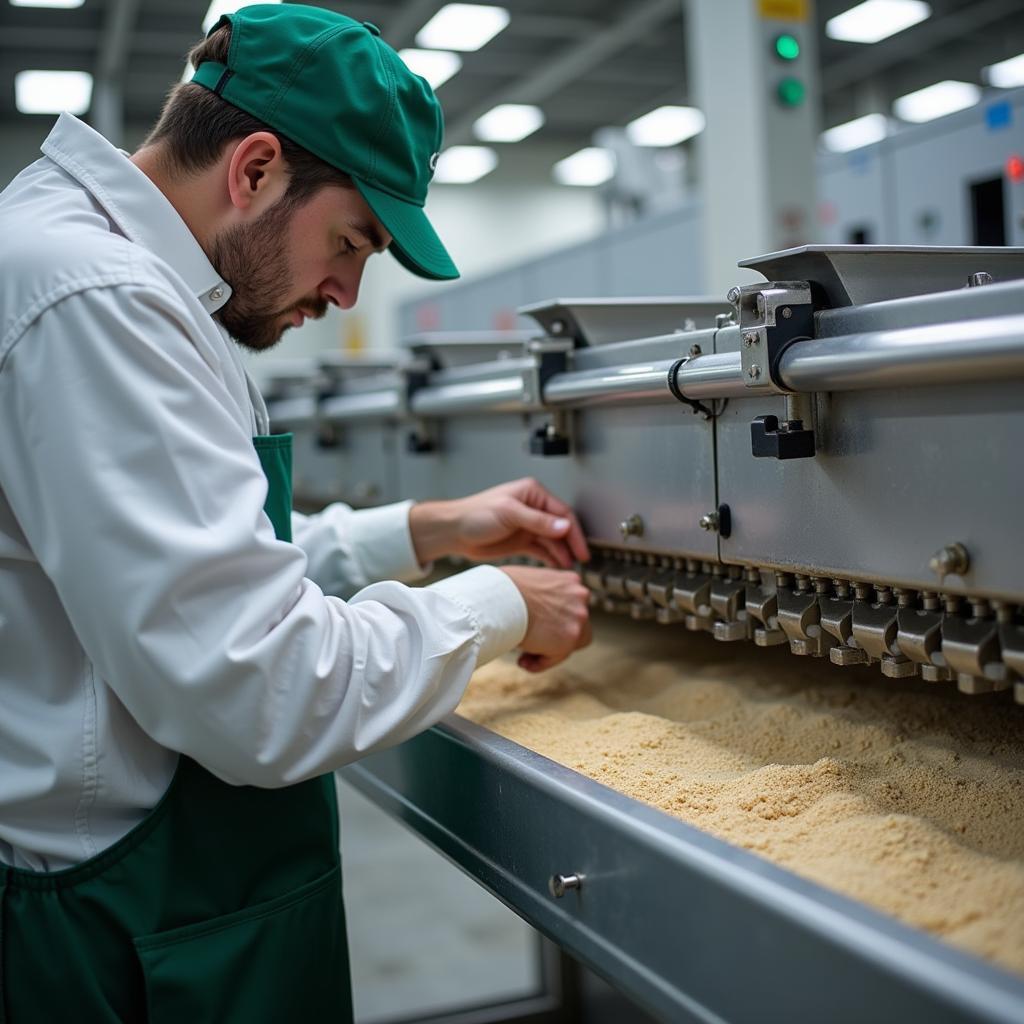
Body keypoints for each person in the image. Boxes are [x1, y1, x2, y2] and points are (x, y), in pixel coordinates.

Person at [0, 5, 591, 1020]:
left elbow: (205, 570)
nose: (349, 292)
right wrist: (496, 605)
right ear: (257, 169)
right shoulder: (96, 297)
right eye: (352, 241)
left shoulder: (116, 278)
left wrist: (426, 529)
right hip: (125, 937)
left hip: (160, 900)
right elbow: (257, 686)